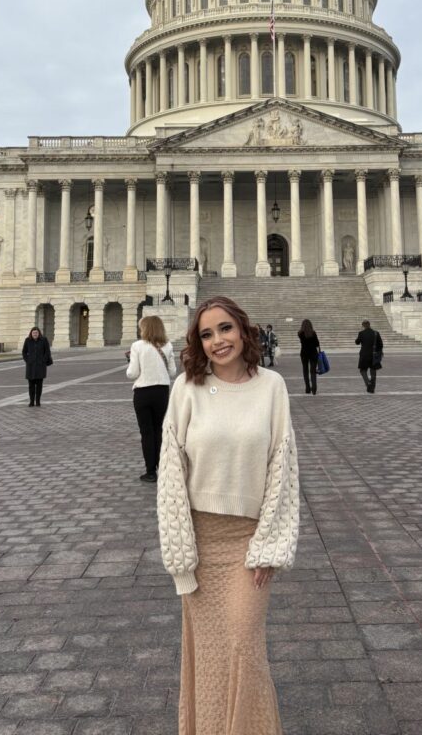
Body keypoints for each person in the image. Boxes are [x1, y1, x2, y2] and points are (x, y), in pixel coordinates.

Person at [157, 296, 299, 734]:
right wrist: (181, 558)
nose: (218, 340)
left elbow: (283, 466)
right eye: (207, 333)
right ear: (198, 343)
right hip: (200, 539)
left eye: (225, 329)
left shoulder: (271, 386)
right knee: (211, 657)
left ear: (243, 329)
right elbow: (170, 473)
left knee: (243, 647)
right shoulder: (186, 388)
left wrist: (270, 545)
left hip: (248, 541)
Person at [126, 315, 177, 484]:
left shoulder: (137, 346)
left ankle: (150, 471)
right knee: (159, 431)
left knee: (146, 432)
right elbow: (172, 373)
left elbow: (132, 373)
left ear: (145, 328)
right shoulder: (168, 345)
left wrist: (130, 361)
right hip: (161, 392)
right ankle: (162, 467)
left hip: (143, 392)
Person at [21, 326, 52, 407]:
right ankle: (31, 401)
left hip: (40, 366)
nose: (35, 334)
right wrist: (27, 360)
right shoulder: (27, 340)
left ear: (39, 333)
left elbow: (47, 352)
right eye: (33, 333)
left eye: (36, 333)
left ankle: (38, 401)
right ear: (31, 333)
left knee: (39, 385)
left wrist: (43, 360)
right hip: (30, 366)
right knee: (31, 386)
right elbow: (24, 352)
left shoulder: (44, 340)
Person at [356, 319, 383, 393]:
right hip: (374, 355)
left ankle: (368, 383)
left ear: (363, 325)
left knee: (362, 370)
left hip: (364, 355)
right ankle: (372, 388)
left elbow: (357, 342)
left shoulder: (361, 333)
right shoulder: (376, 333)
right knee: (373, 371)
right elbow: (380, 345)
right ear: (369, 324)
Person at [298, 318, 320, 394]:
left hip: (304, 354)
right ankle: (314, 388)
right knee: (313, 371)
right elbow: (317, 344)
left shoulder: (300, 333)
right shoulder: (313, 333)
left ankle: (307, 388)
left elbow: (302, 342)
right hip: (313, 353)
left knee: (305, 371)